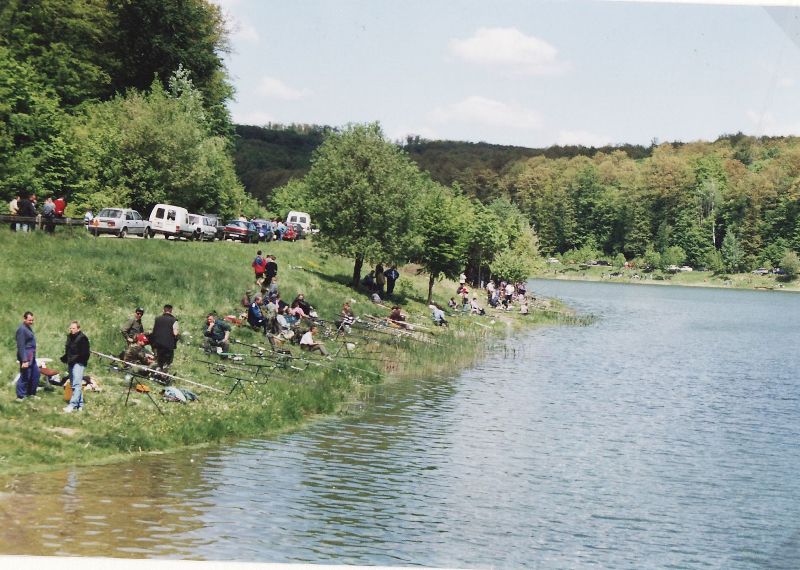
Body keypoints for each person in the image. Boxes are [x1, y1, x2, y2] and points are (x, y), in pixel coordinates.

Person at [61, 320, 90, 413]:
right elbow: (69, 350)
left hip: (79, 363)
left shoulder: (83, 338)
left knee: (76, 384)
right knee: (74, 384)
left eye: (73, 328)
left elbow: (85, 354)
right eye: (70, 328)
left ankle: (72, 405)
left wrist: (76, 359)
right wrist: (65, 358)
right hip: (71, 362)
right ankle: (80, 405)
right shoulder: (70, 337)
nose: (71, 330)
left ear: (78, 329)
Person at [15, 311, 39, 400]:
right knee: (25, 375)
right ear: (24, 319)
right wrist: (24, 360)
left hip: (31, 356)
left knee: (35, 374)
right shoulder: (21, 329)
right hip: (26, 356)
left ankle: (31, 393)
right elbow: (21, 346)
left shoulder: (28, 328)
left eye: (32, 320)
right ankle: (20, 396)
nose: (31, 322)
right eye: (29, 320)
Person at [150, 304, 179, 370]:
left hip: (157, 345)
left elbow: (153, 331)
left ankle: (156, 372)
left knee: (158, 361)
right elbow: (175, 333)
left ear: (163, 310)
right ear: (171, 310)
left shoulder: (157, 319)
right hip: (168, 346)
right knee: (167, 363)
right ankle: (164, 373)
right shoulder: (174, 320)